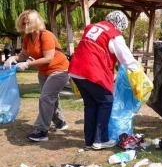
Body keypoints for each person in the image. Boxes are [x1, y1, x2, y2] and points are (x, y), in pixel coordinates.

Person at [68, 11, 140, 150]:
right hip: (92, 71)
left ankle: (89, 141)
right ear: (120, 25)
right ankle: (100, 140)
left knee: (91, 105)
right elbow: (125, 57)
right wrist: (137, 71)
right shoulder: (113, 35)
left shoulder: (91, 27)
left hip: (76, 70)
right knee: (106, 101)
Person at [4, 10, 70, 142]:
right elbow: (24, 55)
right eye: (24, 21)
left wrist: (27, 65)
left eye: (28, 21)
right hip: (44, 72)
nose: (26, 23)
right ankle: (61, 123)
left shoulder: (46, 35)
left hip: (60, 70)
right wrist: (13, 58)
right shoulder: (28, 37)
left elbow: (48, 58)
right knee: (51, 98)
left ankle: (41, 131)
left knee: (46, 98)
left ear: (36, 22)